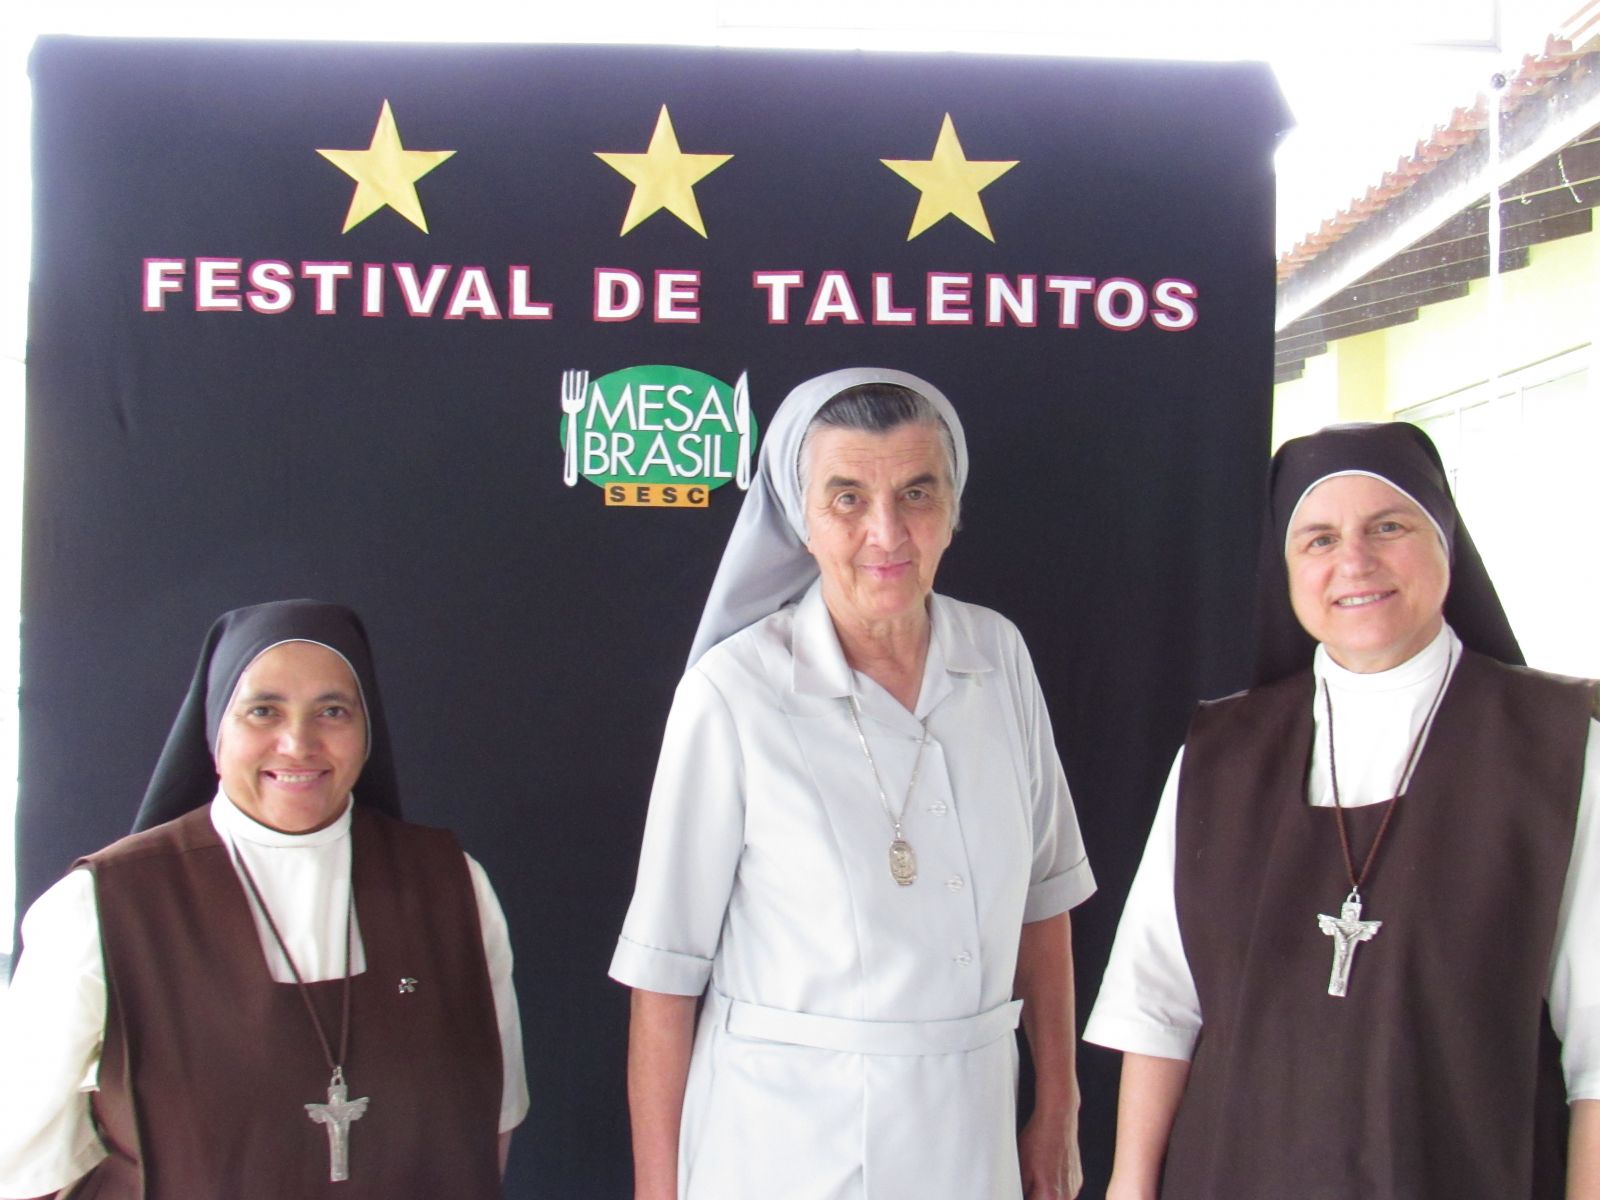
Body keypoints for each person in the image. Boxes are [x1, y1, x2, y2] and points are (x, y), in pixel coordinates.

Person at [609, 366, 1095, 1200]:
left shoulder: (999, 658)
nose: (886, 532)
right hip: (786, 1153)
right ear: (799, 517)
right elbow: (664, 980)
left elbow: (1043, 902)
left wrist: (1059, 1106)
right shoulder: (732, 695)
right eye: (846, 498)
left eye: (916, 493)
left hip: (971, 1140)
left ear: (953, 507)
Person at [1084, 422, 1600, 1199]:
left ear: (1445, 540)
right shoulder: (1220, 754)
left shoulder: (1557, 749)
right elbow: (1157, 1005)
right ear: (1287, 568)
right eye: (1319, 539)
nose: (1354, 561)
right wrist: (1129, 1186)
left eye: (1388, 527)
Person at [0, 600, 529, 1199]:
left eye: (332, 711)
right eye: (263, 711)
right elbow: (24, 1165)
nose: (298, 743)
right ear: (215, 729)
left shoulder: (452, 888)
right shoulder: (101, 908)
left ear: (367, 730)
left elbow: (493, 1116)